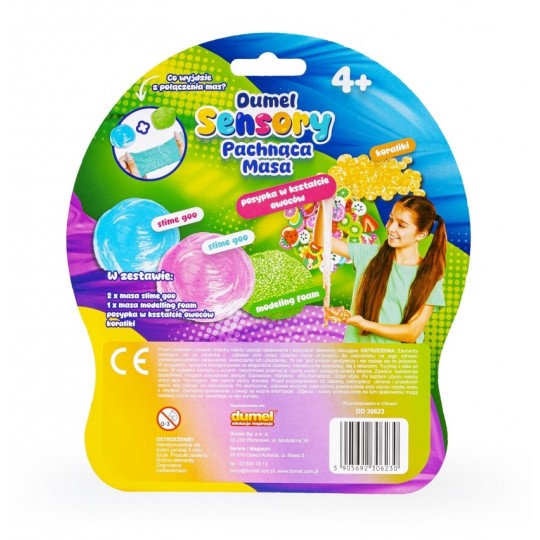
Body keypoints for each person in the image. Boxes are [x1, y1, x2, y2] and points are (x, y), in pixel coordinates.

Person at [314, 195, 446, 343]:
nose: (390, 227)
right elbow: (321, 240)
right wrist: (324, 203)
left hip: (396, 356)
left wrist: (365, 324)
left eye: (401, 225)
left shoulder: (430, 275)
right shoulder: (369, 254)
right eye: (391, 219)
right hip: (356, 354)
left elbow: (412, 333)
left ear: (421, 235)